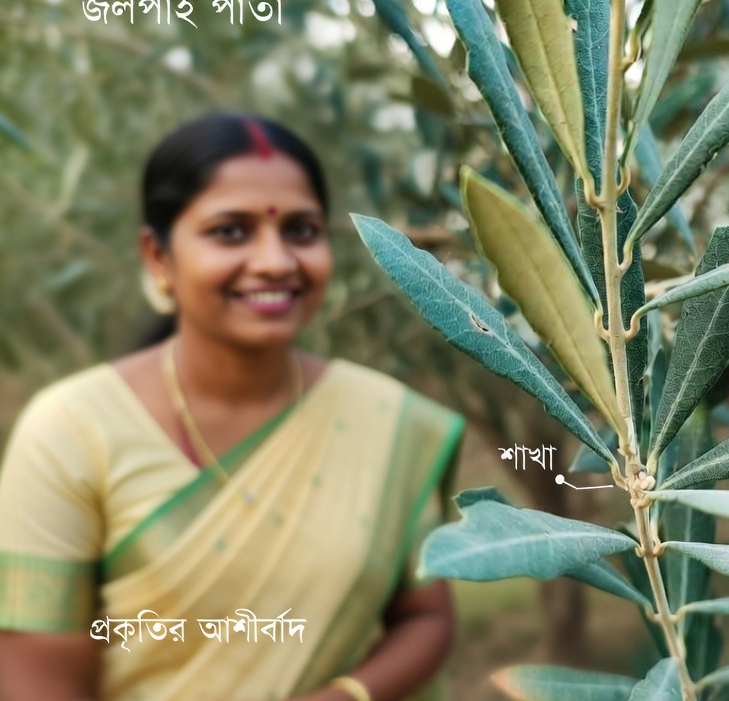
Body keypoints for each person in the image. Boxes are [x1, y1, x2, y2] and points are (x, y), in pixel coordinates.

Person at [0, 114, 464, 701]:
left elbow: (424, 618)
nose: (275, 261)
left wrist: (344, 697)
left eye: (301, 230)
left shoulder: (390, 422)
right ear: (158, 257)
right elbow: (38, 680)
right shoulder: (69, 431)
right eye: (230, 231)